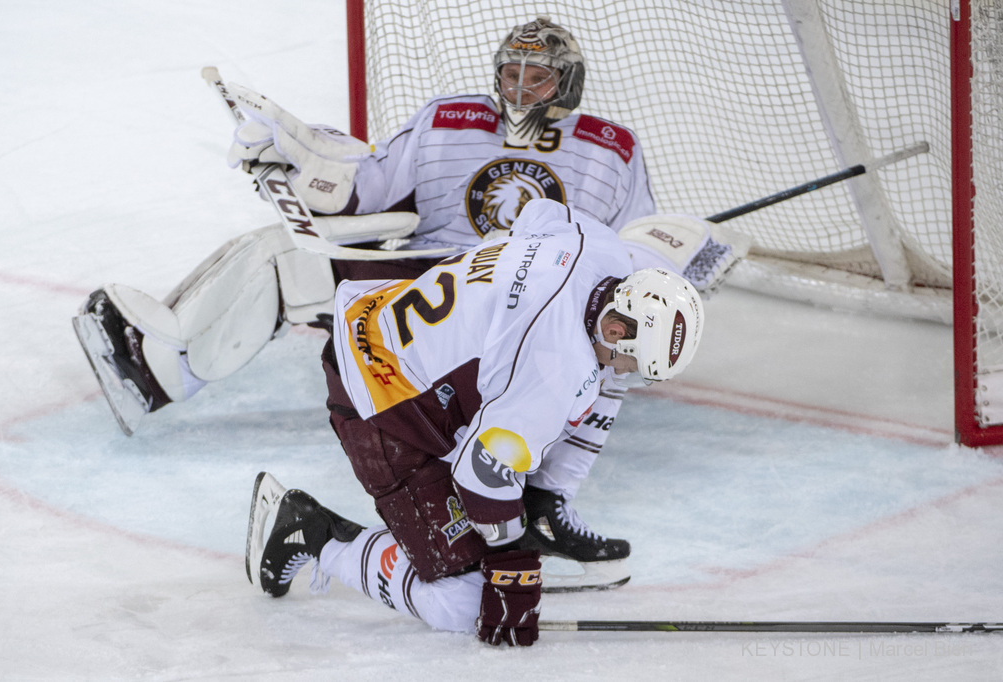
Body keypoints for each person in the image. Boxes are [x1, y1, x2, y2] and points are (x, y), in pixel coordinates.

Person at [73, 16, 744, 588]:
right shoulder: (447, 120)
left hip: (534, 313)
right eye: (511, 74)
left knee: (595, 363)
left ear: (567, 86)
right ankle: (158, 369)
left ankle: (543, 501)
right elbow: (368, 188)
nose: (519, 90)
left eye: (536, 79)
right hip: (430, 284)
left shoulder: (612, 150)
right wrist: (301, 160)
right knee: (280, 253)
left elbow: (631, 265)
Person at [244, 199, 704, 646]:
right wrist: (512, 563)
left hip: (380, 320)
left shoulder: (597, 245)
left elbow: (537, 210)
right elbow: (482, 475)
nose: (626, 371)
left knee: (576, 397)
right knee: (463, 606)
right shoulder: (553, 366)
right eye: (632, 361)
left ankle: (533, 502)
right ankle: (313, 532)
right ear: (615, 329)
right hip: (384, 406)